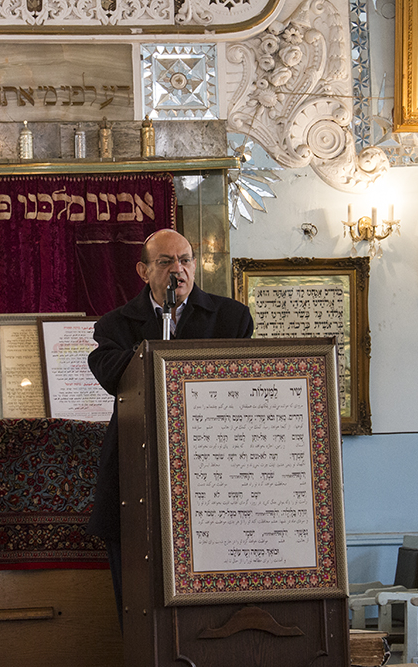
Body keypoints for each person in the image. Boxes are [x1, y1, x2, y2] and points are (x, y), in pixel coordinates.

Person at [86, 228, 254, 624]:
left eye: (185, 260)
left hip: (213, 472)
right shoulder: (115, 325)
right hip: (136, 469)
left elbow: (242, 384)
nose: (178, 270)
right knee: (140, 598)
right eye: (165, 262)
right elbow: (112, 375)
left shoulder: (230, 318)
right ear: (143, 270)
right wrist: (153, 355)